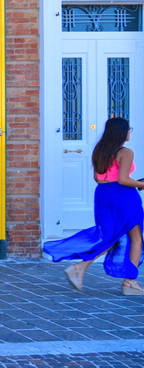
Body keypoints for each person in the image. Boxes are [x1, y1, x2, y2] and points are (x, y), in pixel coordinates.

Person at [43, 117, 144, 296]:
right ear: (122, 132)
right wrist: (141, 184)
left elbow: (98, 178)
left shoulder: (100, 150)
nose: (130, 132)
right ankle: (130, 282)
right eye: (129, 129)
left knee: (110, 235)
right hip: (124, 196)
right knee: (135, 238)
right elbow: (123, 180)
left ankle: (81, 267)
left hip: (104, 195)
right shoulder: (126, 152)